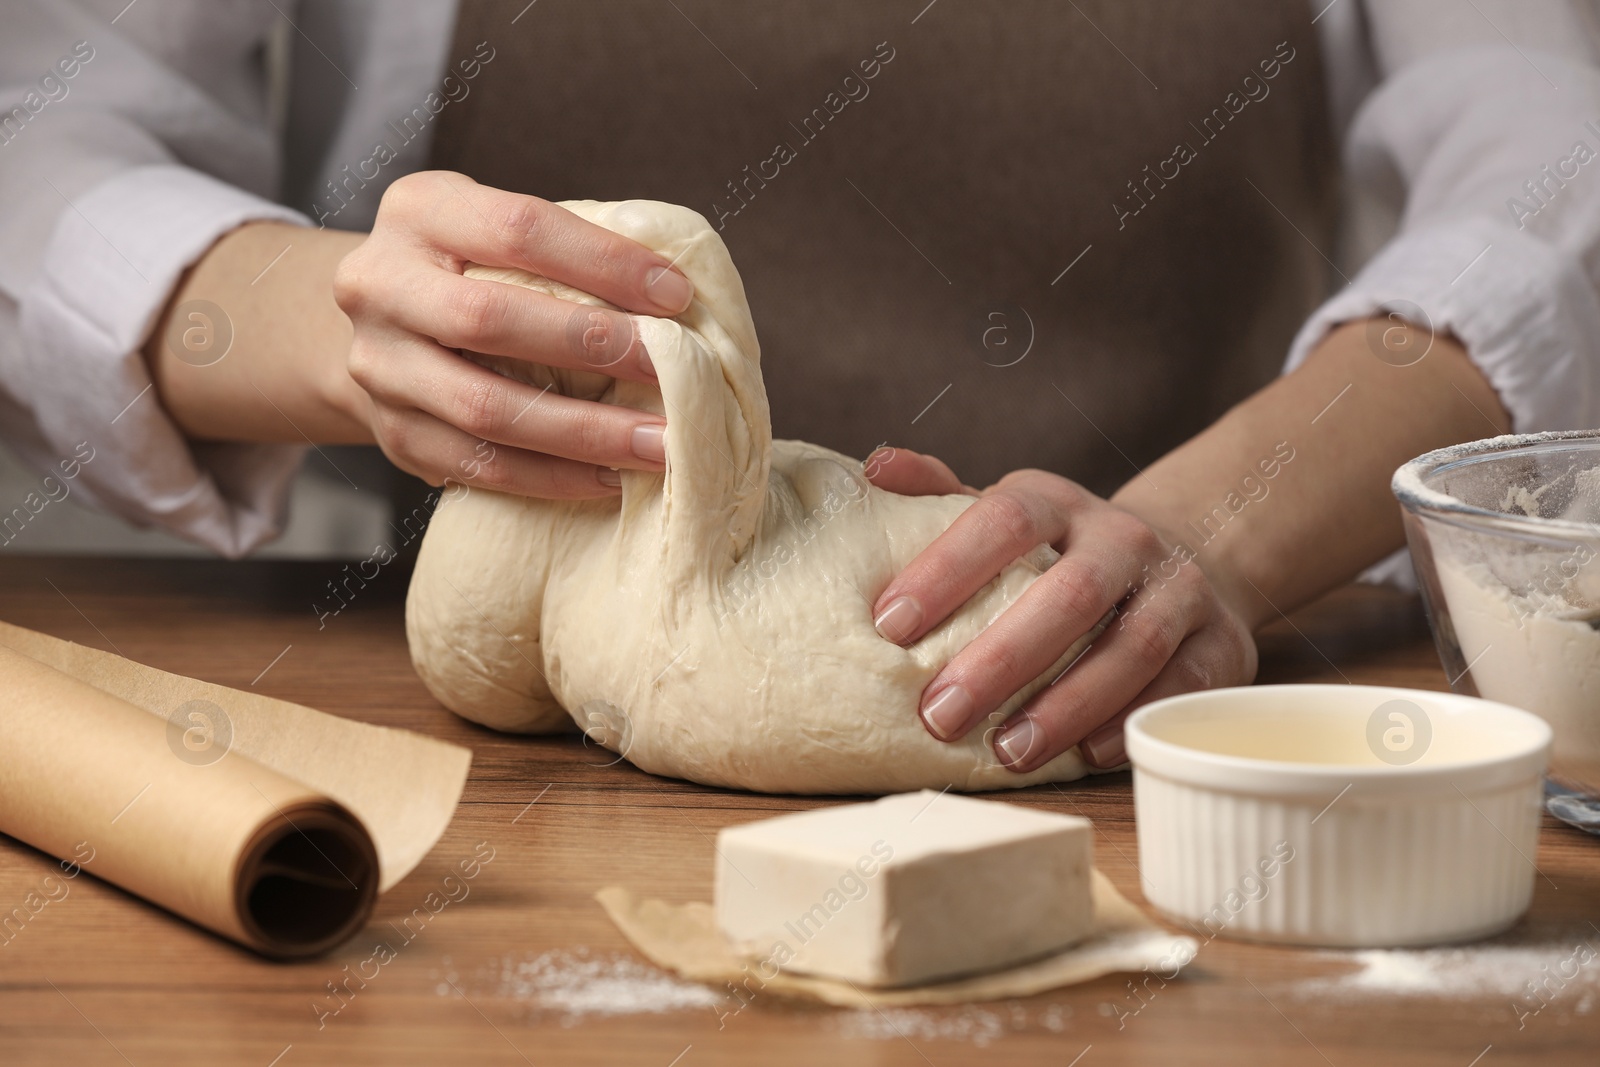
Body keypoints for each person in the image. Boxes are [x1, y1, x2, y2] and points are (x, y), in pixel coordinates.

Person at [3, 1, 1597, 775]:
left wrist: (1213, 534)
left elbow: (1557, 159)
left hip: (1178, 685)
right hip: (503, 592)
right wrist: (335, 316)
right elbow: (37, 125)